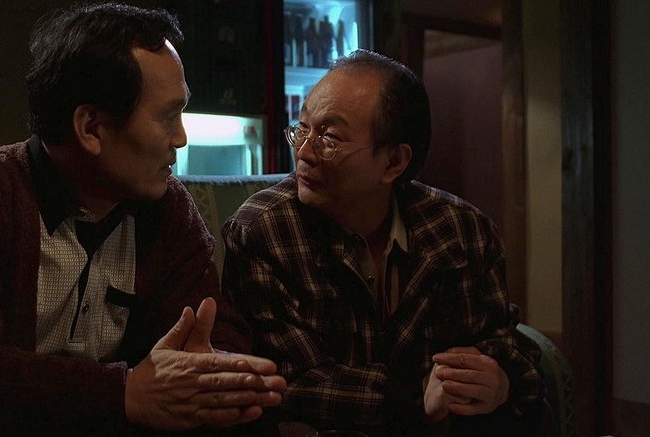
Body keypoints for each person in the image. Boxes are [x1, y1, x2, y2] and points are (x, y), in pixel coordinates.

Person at [0, 2, 285, 436]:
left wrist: (210, 369)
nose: (180, 138)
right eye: (167, 116)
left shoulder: (165, 208)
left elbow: (211, 328)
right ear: (91, 128)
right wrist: (123, 392)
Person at [222, 50, 543, 435]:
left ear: (393, 163)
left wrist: (499, 380)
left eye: (329, 137)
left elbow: (505, 344)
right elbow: (289, 381)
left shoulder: (462, 231)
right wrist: (414, 397)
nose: (304, 152)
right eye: (302, 128)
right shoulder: (263, 231)